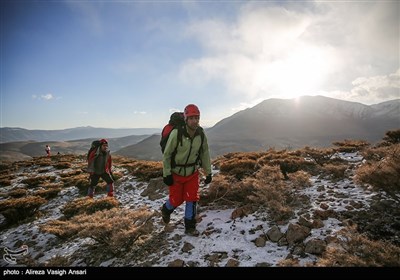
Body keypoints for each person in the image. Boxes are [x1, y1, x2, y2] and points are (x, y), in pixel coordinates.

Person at [161, 104, 212, 236]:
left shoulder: (200, 133)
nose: (195, 121)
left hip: (192, 173)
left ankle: (190, 226)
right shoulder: (177, 133)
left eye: (197, 118)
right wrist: (167, 174)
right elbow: (167, 154)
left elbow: (205, 153)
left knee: (192, 199)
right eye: (191, 118)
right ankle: (166, 210)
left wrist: (208, 172)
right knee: (176, 200)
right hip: (176, 173)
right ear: (186, 119)